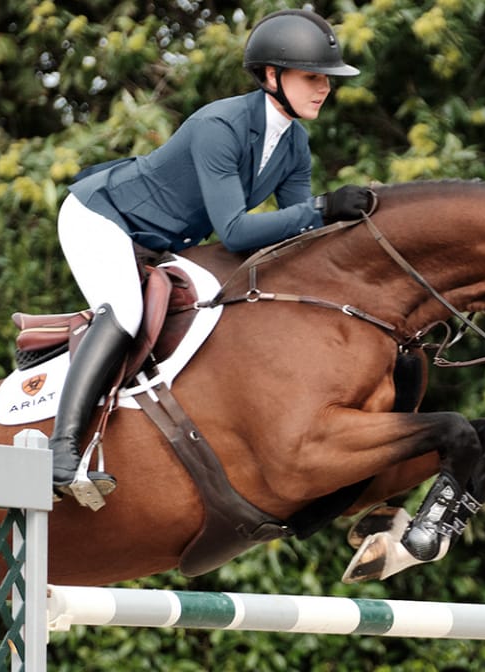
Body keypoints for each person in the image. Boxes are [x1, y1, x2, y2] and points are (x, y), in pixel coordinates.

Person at [50, 9, 378, 503]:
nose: (324, 88)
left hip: (164, 241)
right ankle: (61, 454)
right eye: (312, 77)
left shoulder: (294, 144)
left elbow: (294, 236)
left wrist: (343, 231)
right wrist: (323, 208)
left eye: (326, 79)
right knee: (126, 310)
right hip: (102, 216)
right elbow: (237, 231)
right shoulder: (219, 125)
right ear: (272, 76)